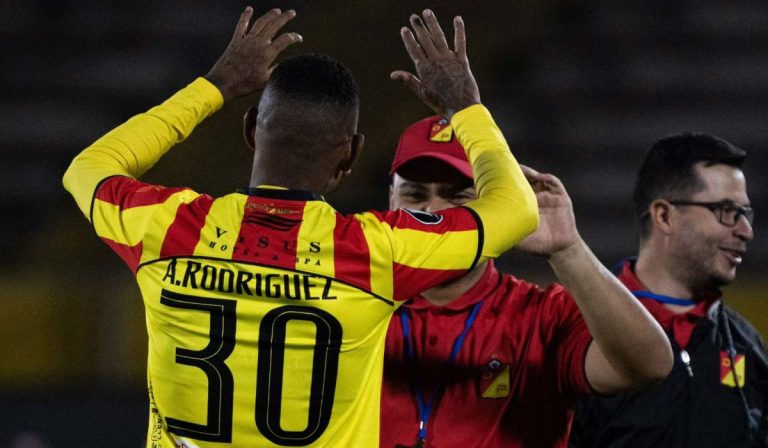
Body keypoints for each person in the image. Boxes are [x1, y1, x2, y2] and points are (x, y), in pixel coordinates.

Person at [63, 7, 540, 448]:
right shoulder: (377, 252)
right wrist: (466, 108)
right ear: (350, 155)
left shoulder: (167, 228)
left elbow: (88, 168)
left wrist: (214, 87)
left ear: (252, 129)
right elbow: (517, 208)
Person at [379, 116, 674, 448]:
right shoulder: (354, 306)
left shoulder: (544, 317)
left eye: (459, 195)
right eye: (415, 195)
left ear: (496, 205)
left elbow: (649, 365)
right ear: (391, 200)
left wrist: (567, 249)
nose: (434, 211)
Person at [569, 133, 768, 447]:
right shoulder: (580, 334)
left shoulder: (747, 345)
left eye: (745, 214)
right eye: (727, 212)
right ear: (664, 215)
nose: (746, 231)